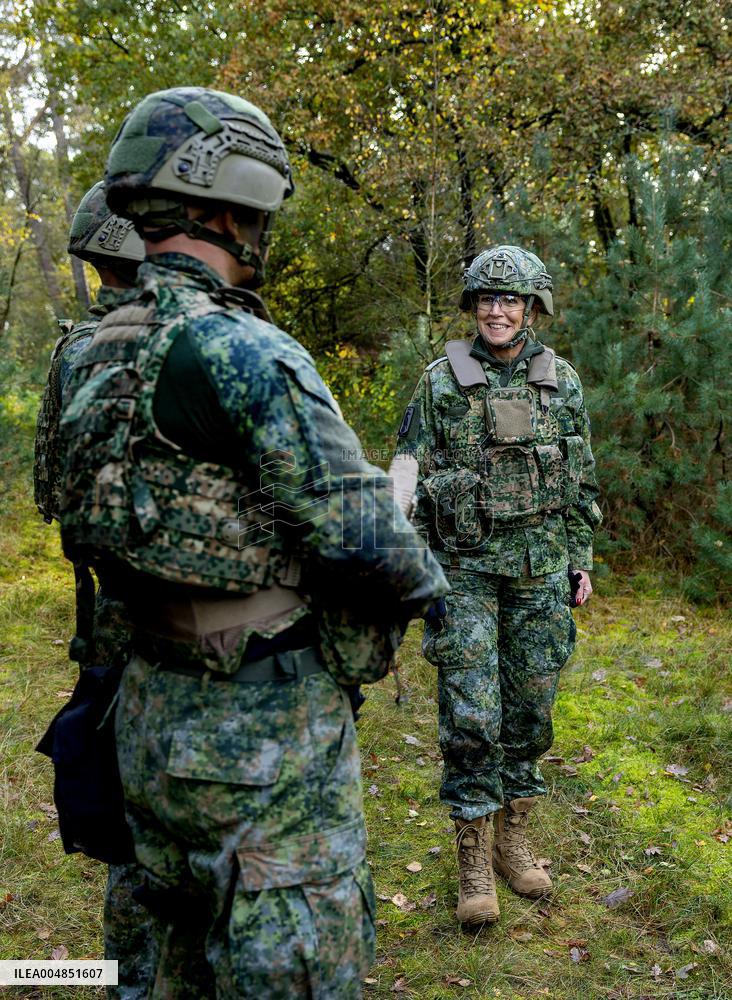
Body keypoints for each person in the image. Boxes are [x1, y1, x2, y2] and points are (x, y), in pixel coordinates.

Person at [58, 87, 448, 997]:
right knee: (293, 963)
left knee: (165, 961)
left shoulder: (89, 347)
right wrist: (425, 579)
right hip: (261, 733)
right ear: (234, 198)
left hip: (147, 714)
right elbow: (369, 540)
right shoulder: (240, 348)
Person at [396, 245, 602, 927]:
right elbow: (405, 479)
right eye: (486, 298)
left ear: (532, 308)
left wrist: (581, 557)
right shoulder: (440, 382)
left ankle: (515, 836)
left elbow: (581, 480)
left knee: (530, 712)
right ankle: (474, 858)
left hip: (540, 572)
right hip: (466, 572)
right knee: (473, 717)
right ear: (473, 306)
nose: (497, 310)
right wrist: (409, 566)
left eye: (511, 300)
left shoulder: (560, 381)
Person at [32, 183, 156, 998]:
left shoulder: (74, 353)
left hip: (112, 614)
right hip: (200, 621)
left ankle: (130, 980)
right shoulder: (205, 340)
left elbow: (50, 493)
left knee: (129, 813)